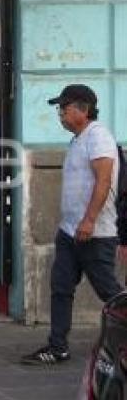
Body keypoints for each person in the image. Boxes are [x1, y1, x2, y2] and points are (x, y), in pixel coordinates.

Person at [23, 84, 124, 365]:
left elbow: (103, 181)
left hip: (94, 233)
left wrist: (89, 220)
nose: (60, 114)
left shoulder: (98, 137)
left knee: (110, 292)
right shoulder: (78, 139)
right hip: (70, 232)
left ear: (83, 110)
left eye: (64, 108)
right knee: (61, 287)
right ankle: (57, 347)